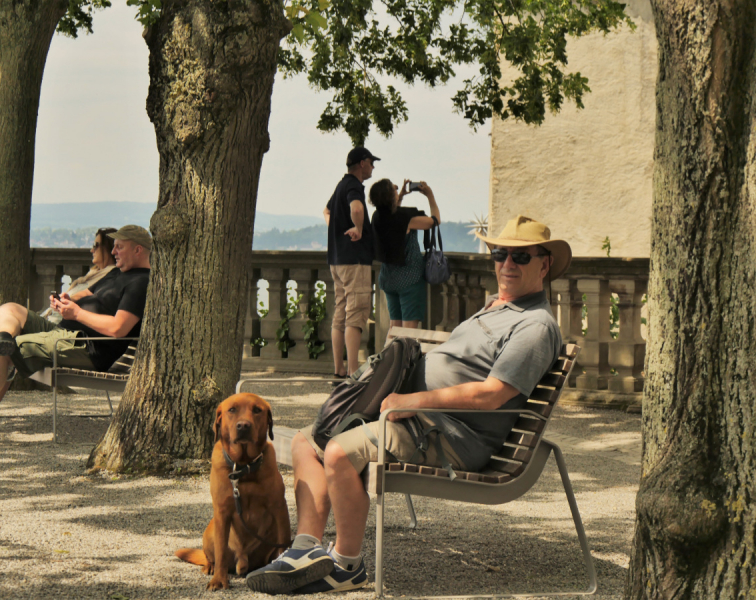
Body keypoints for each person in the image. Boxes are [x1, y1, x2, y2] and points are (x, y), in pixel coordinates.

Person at [245, 215, 572, 595]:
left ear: (545, 264)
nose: (507, 264)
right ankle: (305, 549)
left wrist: (412, 399)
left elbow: (492, 395)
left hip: (449, 434)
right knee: (307, 441)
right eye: (500, 254)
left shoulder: (535, 326)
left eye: (521, 257)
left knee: (336, 452)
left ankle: (347, 566)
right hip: (416, 416)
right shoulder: (500, 308)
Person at [0, 225, 153, 443]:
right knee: (9, 309)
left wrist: (77, 314)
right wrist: (65, 301)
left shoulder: (141, 282)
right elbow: (85, 295)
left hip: (85, 346)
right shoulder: (117, 273)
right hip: (64, 332)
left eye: (119, 247)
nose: (114, 252)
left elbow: (119, 328)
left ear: (138, 250)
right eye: (113, 247)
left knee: (2, 351)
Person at [323, 147, 379, 378]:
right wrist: (357, 228)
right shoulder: (354, 186)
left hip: (337, 260)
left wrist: (337, 233)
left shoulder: (340, 185)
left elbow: (326, 211)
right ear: (363, 163)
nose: (373, 167)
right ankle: (354, 371)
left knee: (340, 313)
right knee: (355, 314)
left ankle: (339, 369)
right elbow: (356, 207)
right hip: (355, 261)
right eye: (372, 162)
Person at [369, 179, 440, 342]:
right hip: (409, 278)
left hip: (388, 277)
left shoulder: (377, 216)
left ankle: (386, 363)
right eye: (393, 188)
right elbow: (435, 221)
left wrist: (399, 197)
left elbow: (392, 216)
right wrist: (430, 196)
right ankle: (403, 366)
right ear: (389, 196)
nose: (396, 188)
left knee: (394, 329)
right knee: (409, 333)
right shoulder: (406, 218)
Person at [41, 227, 118, 324]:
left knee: (17, 313)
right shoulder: (93, 275)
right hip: (52, 319)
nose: (92, 250)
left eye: (96, 245)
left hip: (58, 324)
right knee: (16, 311)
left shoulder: (109, 278)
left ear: (108, 248)